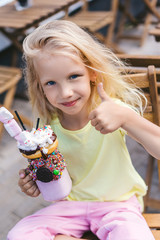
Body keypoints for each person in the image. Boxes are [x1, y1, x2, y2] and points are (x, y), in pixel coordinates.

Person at [7, 20, 160, 240]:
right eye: (51, 83)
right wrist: (35, 182)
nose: (66, 92)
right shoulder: (46, 129)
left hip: (117, 206)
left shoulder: (112, 111)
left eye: (73, 76)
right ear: (39, 85)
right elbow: (54, 176)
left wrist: (126, 118)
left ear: (92, 72)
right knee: (20, 235)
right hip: (69, 208)